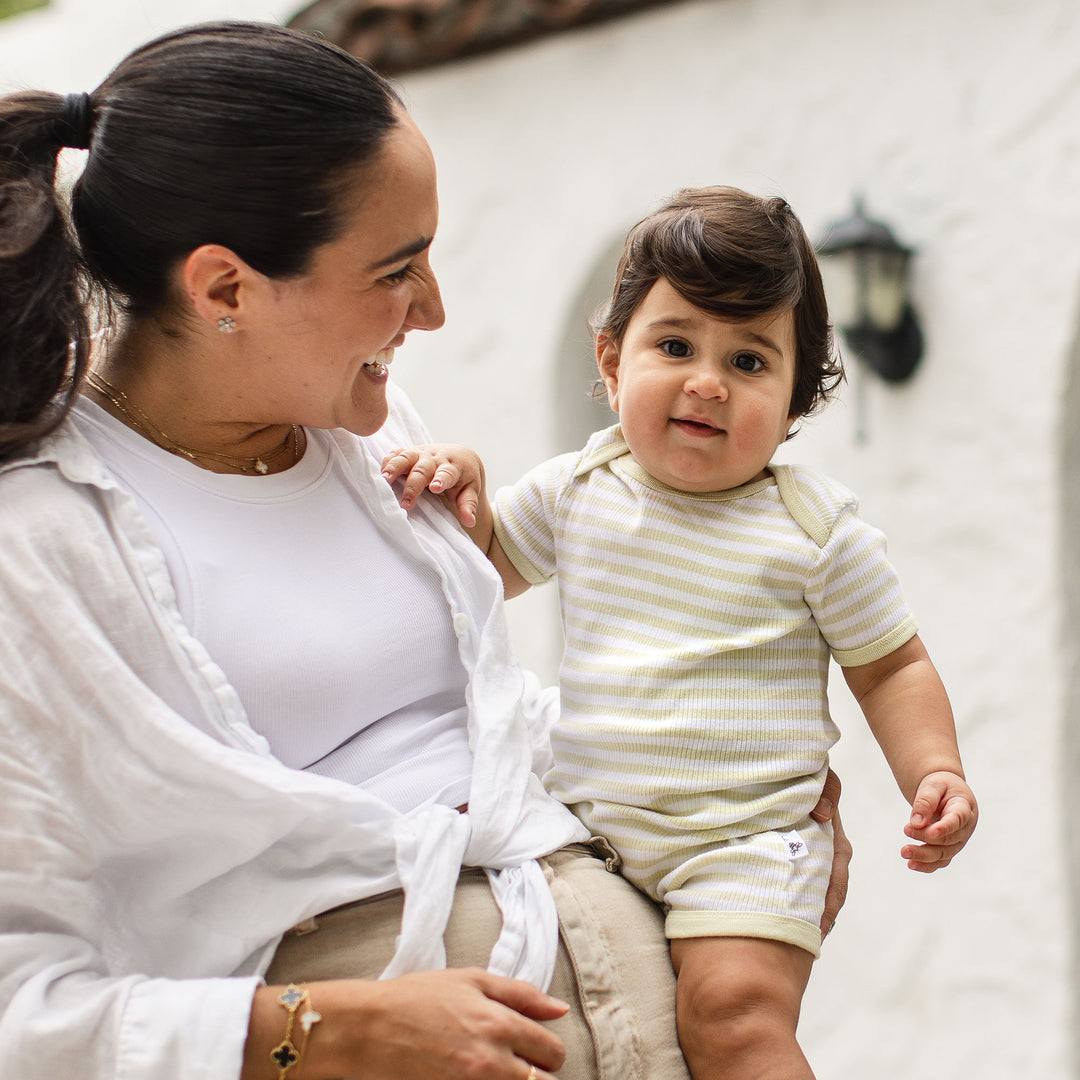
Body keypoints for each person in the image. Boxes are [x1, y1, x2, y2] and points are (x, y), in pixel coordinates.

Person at [0, 23, 862, 1080]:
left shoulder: (377, 442)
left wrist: (739, 836)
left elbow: (480, 742)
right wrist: (323, 1029)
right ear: (224, 289)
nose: (436, 309)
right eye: (398, 268)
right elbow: (21, 1005)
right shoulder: (38, 548)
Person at [381, 186, 979, 1080]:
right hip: (588, 831)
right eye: (675, 346)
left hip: (745, 842)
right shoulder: (580, 488)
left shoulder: (814, 532)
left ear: (794, 401)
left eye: (748, 360)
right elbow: (484, 569)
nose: (707, 381)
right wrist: (460, 486)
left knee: (731, 1019)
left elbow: (892, 667)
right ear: (612, 360)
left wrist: (935, 772)